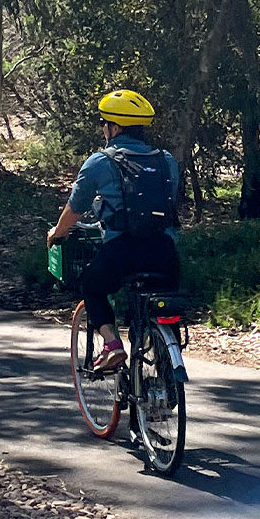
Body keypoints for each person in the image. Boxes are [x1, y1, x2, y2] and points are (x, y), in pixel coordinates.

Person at [46, 89, 182, 372]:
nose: (103, 129)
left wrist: (57, 234)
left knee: (92, 287)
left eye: (103, 123)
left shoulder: (100, 162)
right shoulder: (166, 160)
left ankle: (111, 346)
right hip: (164, 253)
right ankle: (167, 370)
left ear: (115, 127)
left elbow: (75, 208)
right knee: (158, 305)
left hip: (122, 252)